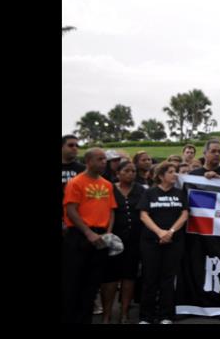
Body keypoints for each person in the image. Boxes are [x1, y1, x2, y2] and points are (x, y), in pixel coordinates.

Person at [62, 148, 117, 323]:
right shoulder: (76, 182)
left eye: (105, 159)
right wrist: (88, 233)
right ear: (88, 161)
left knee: (92, 285)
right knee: (73, 283)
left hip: (100, 236)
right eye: (99, 159)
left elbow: (111, 211)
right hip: (79, 235)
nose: (104, 162)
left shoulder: (107, 184)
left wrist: (108, 233)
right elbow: (71, 210)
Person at [136, 161, 189, 324]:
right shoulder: (149, 193)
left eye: (175, 172)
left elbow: (184, 215)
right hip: (151, 242)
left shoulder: (180, 193)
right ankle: (146, 316)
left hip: (174, 242)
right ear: (160, 176)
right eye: (171, 172)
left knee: (168, 278)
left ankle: (166, 315)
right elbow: (143, 215)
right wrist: (159, 232)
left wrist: (170, 232)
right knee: (150, 278)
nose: (175, 175)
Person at [100, 159, 145, 324]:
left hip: (135, 239)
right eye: (126, 171)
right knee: (110, 278)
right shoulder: (109, 188)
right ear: (118, 173)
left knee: (129, 276)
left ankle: (124, 313)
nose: (131, 174)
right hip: (114, 239)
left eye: (133, 171)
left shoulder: (141, 189)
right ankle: (106, 314)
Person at [62, 134, 86, 224]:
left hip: (78, 219)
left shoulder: (84, 169)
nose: (75, 148)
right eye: (71, 145)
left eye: (77, 146)